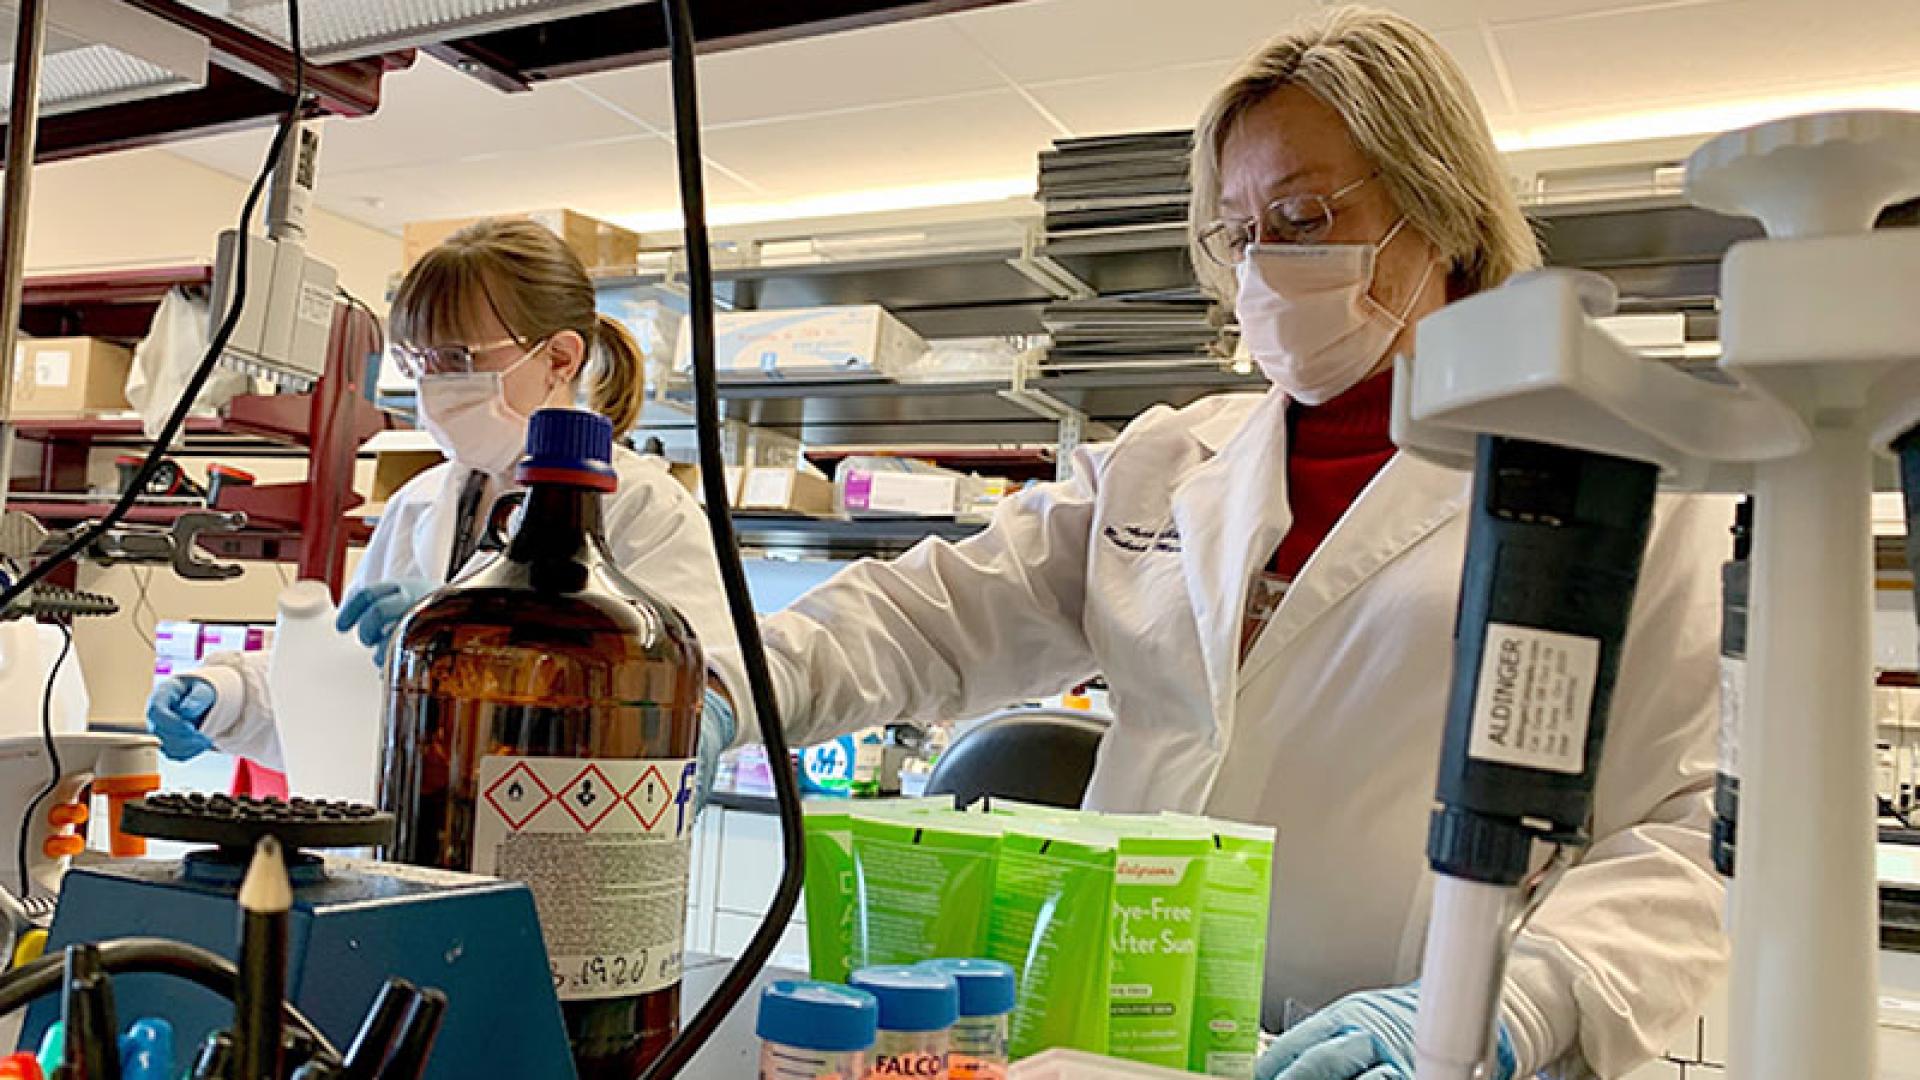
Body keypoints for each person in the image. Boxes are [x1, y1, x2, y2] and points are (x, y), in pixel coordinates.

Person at [756, 9, 1724, 1080]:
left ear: (1438, 209)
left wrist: (1504, 1011)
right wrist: (717, 685)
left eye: (1304, 216)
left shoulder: (1608, 484)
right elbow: (929, 616)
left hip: (1403, 1055)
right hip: (1109, 1046)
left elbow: (1679, 836)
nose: (1266, 265)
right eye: (1240, 230)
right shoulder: (1169, 461)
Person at [146, 218, 743, 798]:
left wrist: (472, 640)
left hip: (559, 833)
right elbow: (348, 690)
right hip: (420, 827)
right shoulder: (421, 503)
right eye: (419, 362)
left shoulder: (646, 510)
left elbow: (691, 711)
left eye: (456, 359)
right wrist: (228, 696)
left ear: (559, 359)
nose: (433, 387)